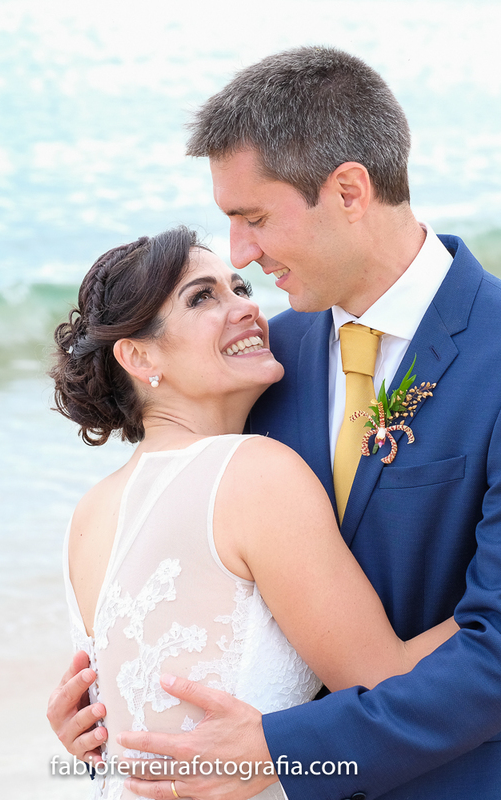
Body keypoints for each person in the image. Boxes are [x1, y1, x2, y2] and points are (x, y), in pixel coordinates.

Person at [50, 46, 501, 800]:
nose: (242, 253)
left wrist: (282, 752)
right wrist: (112, 715)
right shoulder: (268, 360)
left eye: (254, 219)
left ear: (347, 191)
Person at [50, 226, 460, 799]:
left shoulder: (89, 513)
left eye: (240, 287)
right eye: (202, 297)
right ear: (139, 356)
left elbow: (113, 726)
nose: (246, 307)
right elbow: (385, 684)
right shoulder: (254, 473)